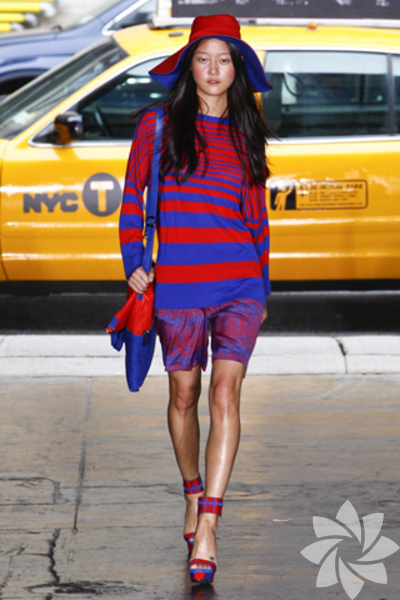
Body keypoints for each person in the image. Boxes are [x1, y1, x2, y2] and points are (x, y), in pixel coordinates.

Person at [119, 13, 273, 584]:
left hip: (239, 284)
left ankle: (209, 521)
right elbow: (132, 199)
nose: (213, 69)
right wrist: (135, 265)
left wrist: (263, 287)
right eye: (203, 59)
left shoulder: (247, 129)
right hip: (179, 284)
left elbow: (257, 218)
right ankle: (191, 492)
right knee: (183, 394)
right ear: (189, 66)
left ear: (237, 69)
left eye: (224, 60)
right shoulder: (157, 125)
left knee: (225, 393)